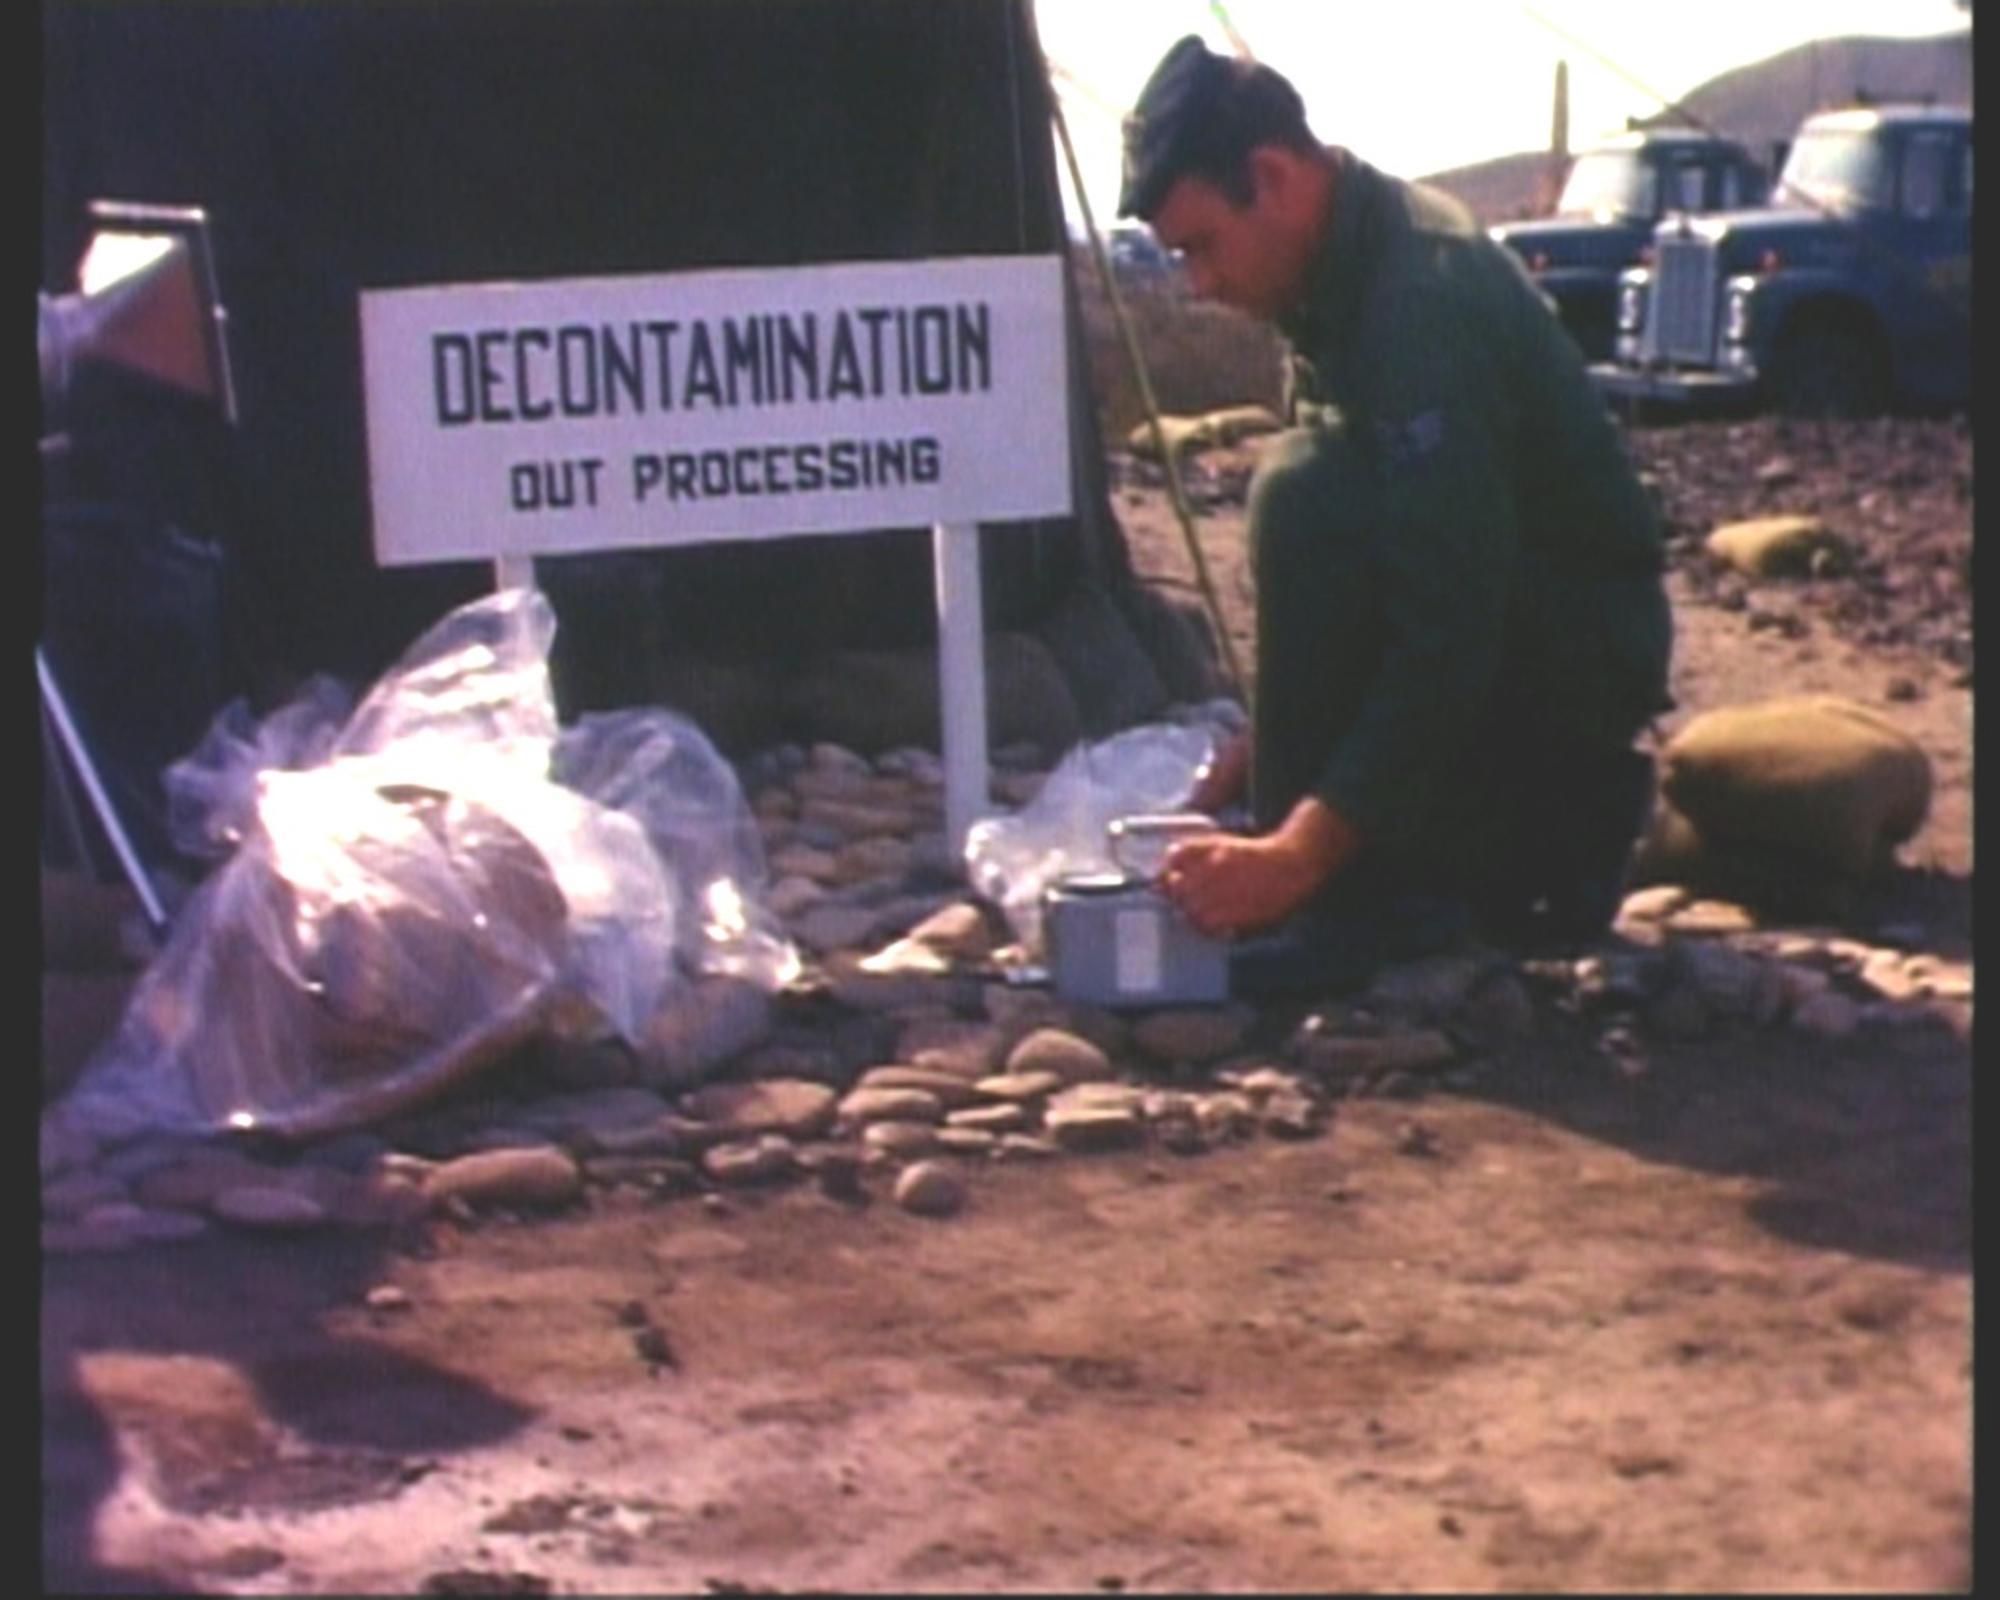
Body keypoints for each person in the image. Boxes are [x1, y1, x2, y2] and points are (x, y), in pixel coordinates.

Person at [1118, 36, 1673, 995]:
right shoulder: (1334, 271)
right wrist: (1253, 769)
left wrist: (1294, 857)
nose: (1199, 284)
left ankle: (1390, 890)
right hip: (1508, 643)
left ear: (1273, 177)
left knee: (1300, 494)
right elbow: (1374, 579)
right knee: (1312, 488)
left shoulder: (1423, 302)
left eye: (1202, 246)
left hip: (1565, 675)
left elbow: (1448, 628)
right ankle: (1383, 860)